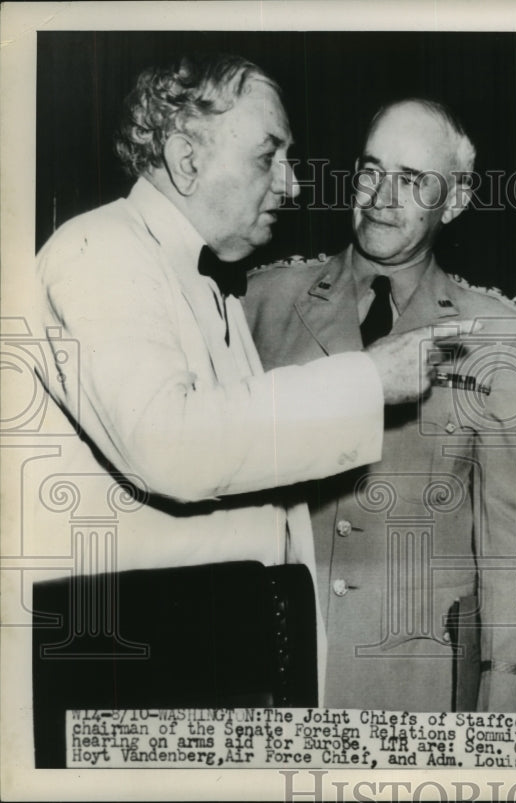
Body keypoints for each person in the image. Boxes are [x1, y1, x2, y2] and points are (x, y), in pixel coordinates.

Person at [32, 56, 463, 701]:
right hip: (140, 667)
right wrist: (368, 380)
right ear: (186, 159)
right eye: (269, 157)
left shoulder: (208, 286)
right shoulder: (98, 253)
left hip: (210, 659)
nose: (292, 185)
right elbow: (168, 446)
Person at [244, 99, 516, 712]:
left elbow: (507, 537)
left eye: (412, 180)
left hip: (417, 674)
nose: (381, 195)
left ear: (454, 202)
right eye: (372, 170)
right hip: (284, 663)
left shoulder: (495, 332)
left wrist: (503, 688)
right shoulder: (263, 304)